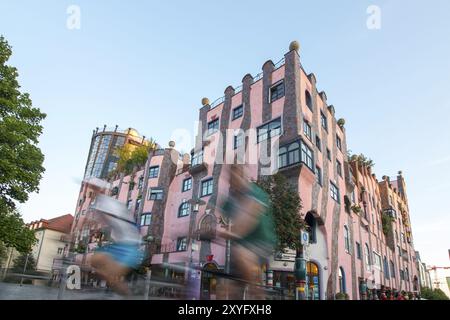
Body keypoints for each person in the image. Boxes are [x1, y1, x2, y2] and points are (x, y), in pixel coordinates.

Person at [217, 164, 277, 300]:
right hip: (240, 246)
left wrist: (228, 233)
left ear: (244, 176)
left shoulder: (256, 193)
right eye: (231, 177)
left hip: (262, 242)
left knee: (241, 254)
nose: (233, 180)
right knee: (224, 287)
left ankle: (257, 291)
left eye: (237, 175)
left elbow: (249, 218)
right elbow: (229, 226)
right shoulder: (228, 202)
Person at [82, 178, 143, 296]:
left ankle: (128, 294)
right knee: (95, 260)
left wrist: (93, 223)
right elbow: (97, 220)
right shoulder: (101, 203)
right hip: (118, 244)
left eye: (94, 189)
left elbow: (102, 218)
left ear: (101, 190)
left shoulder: (107, 203)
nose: (92, 193)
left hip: (130, 246)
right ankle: (118, 287)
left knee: (112, 277)